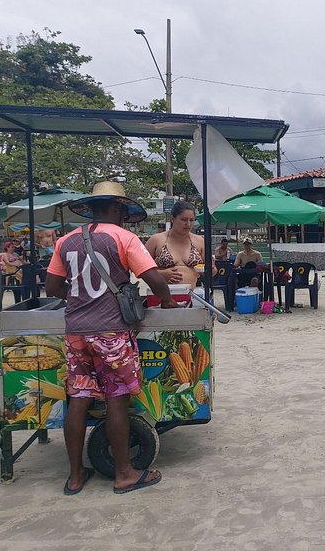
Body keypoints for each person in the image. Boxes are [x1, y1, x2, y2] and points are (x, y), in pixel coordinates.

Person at [45, 181, 177, 495]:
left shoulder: (65, 241)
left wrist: (82, 299)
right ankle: (124, 474)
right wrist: (168, 299)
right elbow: (154, 279)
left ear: (91, 208)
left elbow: (53, 288)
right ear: (118, 208)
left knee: (79, 399)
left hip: (76, 332)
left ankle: (75, 476)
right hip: (112, 333)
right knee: (116, 399)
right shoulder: (123, 237)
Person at [144, 201, 209, 288]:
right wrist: (160, 274)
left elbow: (213, 270)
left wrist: (209, 270)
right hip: (163, 293)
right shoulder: (156, 240)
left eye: (191, 220)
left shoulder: (199, 241)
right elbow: (140, 268)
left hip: (192, 292)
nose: (188, 224)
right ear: (172, 219)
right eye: (184, 220)